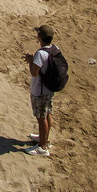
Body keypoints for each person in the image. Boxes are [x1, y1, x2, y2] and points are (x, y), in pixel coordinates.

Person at [27, 25, 59, 156]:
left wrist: (30, 61)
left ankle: (42, 146)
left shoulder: (40, 54)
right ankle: (44, 138)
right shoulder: (55, 49)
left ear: (39, 38)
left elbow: (34, 73)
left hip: (40, 91)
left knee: (41, 118)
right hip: (49, 89)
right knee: (47, 114)